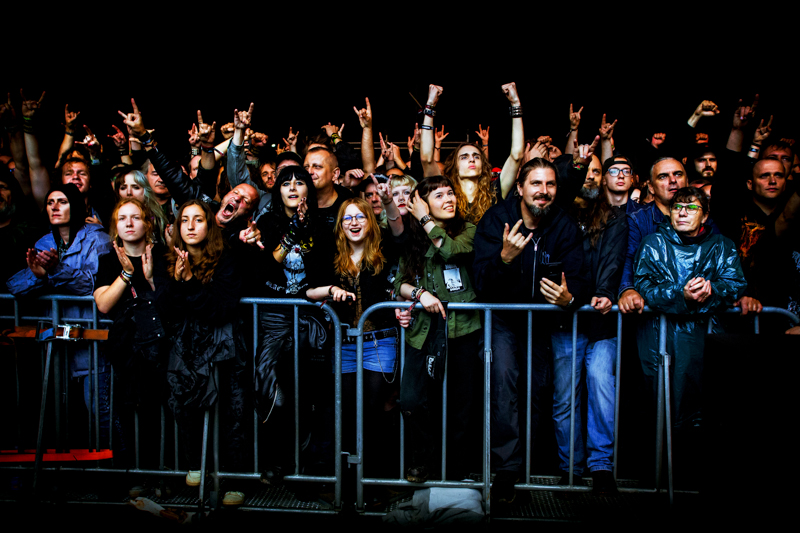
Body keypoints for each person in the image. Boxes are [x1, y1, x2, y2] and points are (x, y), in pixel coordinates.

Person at [473, 157, 587, 503]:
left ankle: (531, 465)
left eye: (550, 184)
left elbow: (581, 277)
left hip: (541, 324)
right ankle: (506, 469)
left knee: (536, 391)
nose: (543, 191)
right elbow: (480, 282)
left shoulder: (564, 226)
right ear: (520, 188)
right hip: (504, 321)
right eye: (536, 184)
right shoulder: (496, 220)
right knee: (504, 383)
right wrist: (504, 259)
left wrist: (572, 297)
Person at [153, 199, 247, 506]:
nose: (191, 226)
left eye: (198, 220)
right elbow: (164, 309)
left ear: (209, 225)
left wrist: (190, 281)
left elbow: (220, 309)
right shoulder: (165, 259)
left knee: (231, 411)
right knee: (181, 400)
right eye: (184, 220)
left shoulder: (226, 260)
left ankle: (234, 480)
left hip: (223, 347)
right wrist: (178, 283)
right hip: (185, 348)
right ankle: (196, 462)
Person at [306, 194, 404, 480]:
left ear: (370, 221)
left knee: (374, 408)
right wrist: (331, 290)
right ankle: (349, 477)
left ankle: (375, 476)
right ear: (340, 225)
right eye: (347, 217)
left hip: (380, 341)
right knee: (346, 409)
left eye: (360, 216)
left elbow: (400, 233)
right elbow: (309, 291)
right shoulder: (330, 252)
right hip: (345, 345)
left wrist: (387, 202)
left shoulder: (383, 249)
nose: (354, 222)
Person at [7, 183, 114, 443]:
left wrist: (54, 272)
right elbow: (14, 287)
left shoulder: (97, 238)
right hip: (55, 344)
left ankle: (116, 471)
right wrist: (37, 276)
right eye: (50, 202)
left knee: (100, 410)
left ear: (75, 206)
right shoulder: (43, 242)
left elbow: (91, 285)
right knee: (62, 411)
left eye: (62, 201)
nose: (55, 207)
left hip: (91, 339)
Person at [634, 187, 746, 430]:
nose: (683, 213)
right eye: (677, 207)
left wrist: (712, 290)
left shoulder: (722, 246)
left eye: (691, 207)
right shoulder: (653, 243)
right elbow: (643, 286)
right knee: (660, 406)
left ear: (705, 216)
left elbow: (735, 283)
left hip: (708, 338)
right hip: (659, 340)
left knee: (706, 405)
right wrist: (680, 294)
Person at [394, 175, 482, 483]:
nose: (449, 199)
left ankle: (456, 471)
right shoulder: (413, 238)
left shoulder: (468, 230)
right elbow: (399, 285)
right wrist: (419, 294)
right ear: (423, 203)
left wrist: (426, 220)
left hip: (464, 331)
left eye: (450, 193)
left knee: (461, 405)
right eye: (439, 195)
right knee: (413, 400)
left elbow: (452, 252)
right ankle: (425, 460)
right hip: (424, 331)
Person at [93, 198, 163, 468]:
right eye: (123, 218)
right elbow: (104, 304)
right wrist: (125, 274)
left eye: (135, 217)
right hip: (126, 349)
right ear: (115, 226)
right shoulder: (109, 260)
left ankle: (161, 474)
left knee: (158, 412)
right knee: (126, 409)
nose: (129, 223)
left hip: (159, 347)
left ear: (147, 223)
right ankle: (136, 472)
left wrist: (151, 278)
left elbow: (172, 301)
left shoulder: (162, 254)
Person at [420, 83, 524, 223]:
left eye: (476, 156)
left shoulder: (495, 191)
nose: (472, 160)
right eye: (464, 157)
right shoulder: (446, 193)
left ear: (483, 164)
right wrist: (430, 106)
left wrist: (515, 103)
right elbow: (426, 159)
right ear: (454, 166)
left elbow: (516, 155)